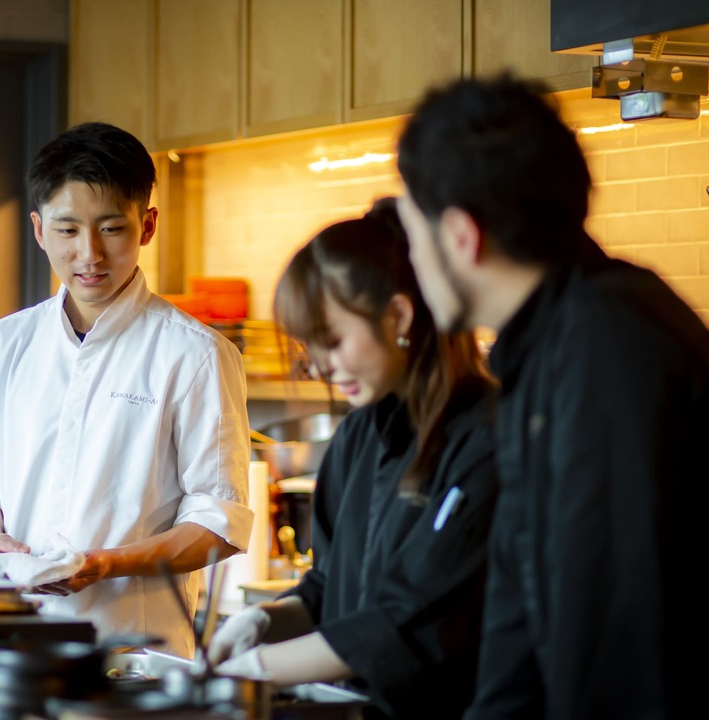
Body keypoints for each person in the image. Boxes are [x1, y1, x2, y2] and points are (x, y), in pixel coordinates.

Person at [394, 74, 709, 719]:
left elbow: (617, 646)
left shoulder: (607, 344)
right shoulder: (544, 346)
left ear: (461, 237)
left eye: (413, 237)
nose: (412, 261)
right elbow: (520, 623)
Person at [0, 122, 253, 657]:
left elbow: (217, 522)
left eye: (111, 229)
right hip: (9, 645)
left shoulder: (196, 354)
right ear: (39, 230)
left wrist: (107, 564)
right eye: (67, 230)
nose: (89, 254)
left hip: (135, 656)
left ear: (147, 225)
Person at [210, 199, 500, 719]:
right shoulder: (357, 436)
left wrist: (259, 669)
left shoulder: (484, 439)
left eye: (333, 341)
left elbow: (407, 625)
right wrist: (265, 621)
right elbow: (328, 590)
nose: (320, 367)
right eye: (310, 347)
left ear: (399, 317)